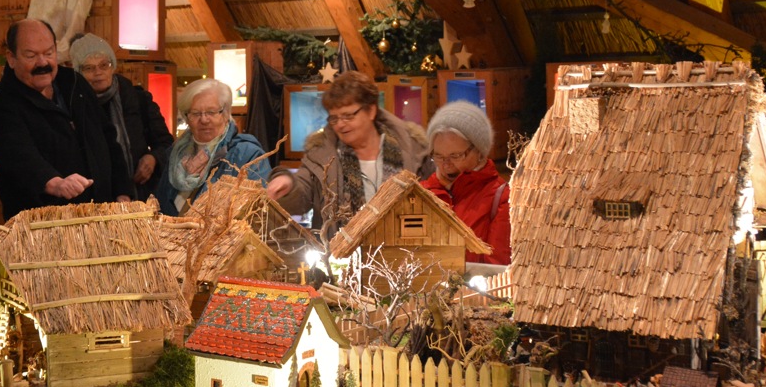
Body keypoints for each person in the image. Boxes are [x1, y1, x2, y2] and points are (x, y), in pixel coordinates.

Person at [0, 19, 131, 220]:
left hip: (100, 216)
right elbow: (18, 156)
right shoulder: (2, 102)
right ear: (11, 58)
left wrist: (123, 191)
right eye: (31, 55)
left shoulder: (75, 83)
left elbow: (108, 138)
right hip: (44, 223)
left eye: (49, 53)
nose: (42, 63)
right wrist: (55, 183)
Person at [267, 71, 427, 241]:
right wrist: (288, 184)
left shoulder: (411, 150)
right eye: (334, 119)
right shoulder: (321, 155)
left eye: (348, 116)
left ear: (371, 111)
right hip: (340, 254)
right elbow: (302, 194)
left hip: (404, 250)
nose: (341, 125)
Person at [69, 33, 174, 202]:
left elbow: (166, 143)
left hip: (140, 193)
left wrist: (153, 158)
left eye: (104, 65)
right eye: (89, 68)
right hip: (94, 197)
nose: (98, 72)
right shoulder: (74, 106)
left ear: (113, 66)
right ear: (78, 72)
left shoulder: (137, 99)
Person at [154, 78, 270, 214]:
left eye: (211, 112)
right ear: (187, 117)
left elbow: (258, 211)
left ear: (226, 114)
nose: (204, 120)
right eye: (195, 113)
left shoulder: (247, 155)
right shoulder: (175, 155)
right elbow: (159, 206)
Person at [420, 101, 510, 265]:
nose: (446, 165)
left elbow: (497, 266)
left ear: (479, 152)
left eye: (455, 156)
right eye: (438, 156)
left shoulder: (501, 197)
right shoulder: (422, 193)